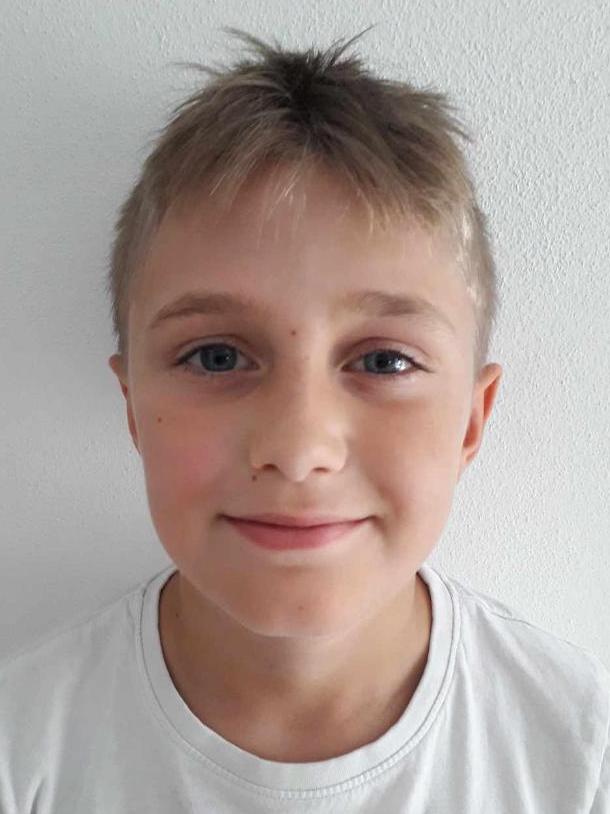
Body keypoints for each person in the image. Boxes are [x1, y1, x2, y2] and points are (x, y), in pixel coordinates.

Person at [1, 25, 608, 813]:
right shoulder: (23, 751)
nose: (297, 449)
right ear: (134, 409)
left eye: (384, 361)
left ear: (471, 420)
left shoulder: (579, 760)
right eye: (217, 356)